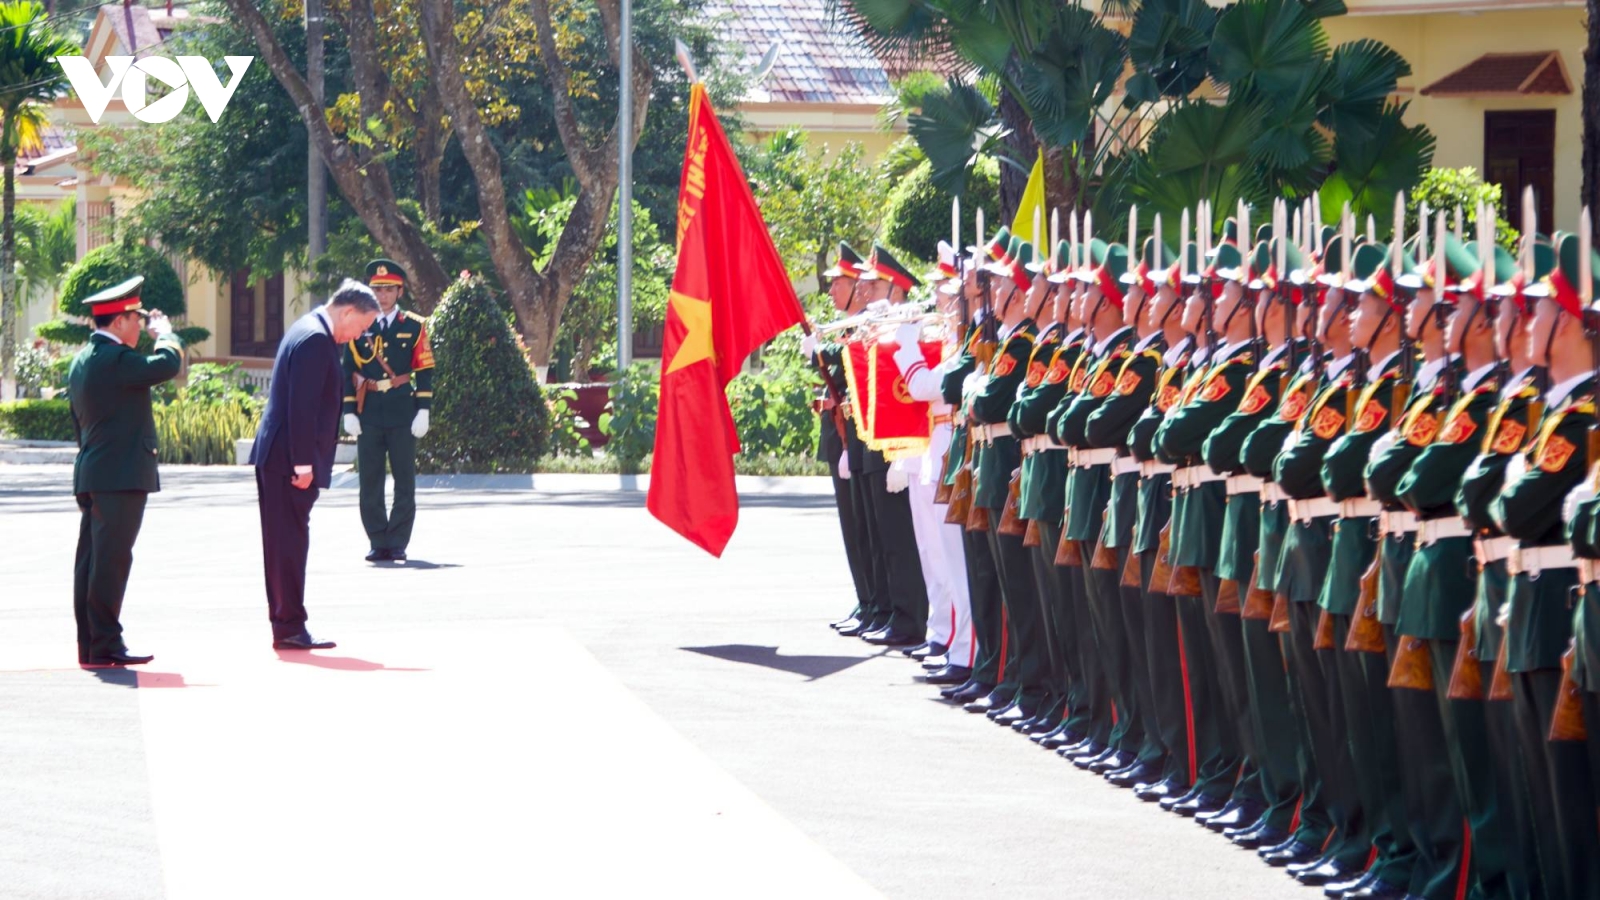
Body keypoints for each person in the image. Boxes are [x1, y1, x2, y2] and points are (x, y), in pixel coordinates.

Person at [250, 280, 381, 650]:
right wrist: (304, 464)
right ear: (347, 311)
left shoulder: (307, 328)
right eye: (362, 326)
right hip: (289, 463)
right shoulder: (314, 340)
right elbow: (301, 408)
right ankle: (290, 626)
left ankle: (287, 623)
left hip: (280, 458)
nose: (360, 335)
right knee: (288, 545)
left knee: (284, 544)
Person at [67, 276, 183, 667]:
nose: (141, 325)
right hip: (118, 476)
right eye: (135, 318)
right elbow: (167, 364)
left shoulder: (84, 359)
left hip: (95, 471)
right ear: (118, 322)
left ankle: (92, 642)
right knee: (111, 561)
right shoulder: (114, 359)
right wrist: (166, 334)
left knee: (93, 561)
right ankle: (106, 642)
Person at [342, 259, 436, 563]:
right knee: (369, 480)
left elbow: (424, 371)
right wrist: (348, 412)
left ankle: (398, 541)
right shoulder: (357, 326)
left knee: (404, 481)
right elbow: (347, 372)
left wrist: (423, 410)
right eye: (377, 289)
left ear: (399, 291)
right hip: (368, 411)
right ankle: (377, 540)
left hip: (401, 412)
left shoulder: (414, 325)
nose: (381, 296)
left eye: (388, 290)